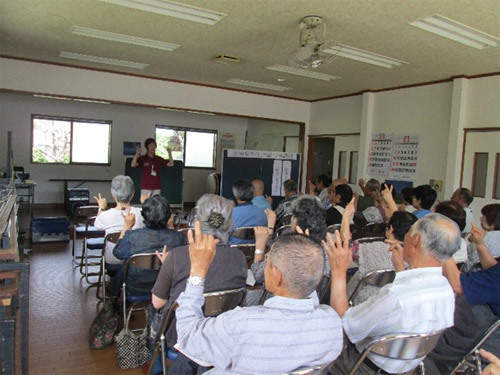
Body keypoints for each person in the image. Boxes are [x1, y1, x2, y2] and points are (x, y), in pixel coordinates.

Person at [175, 229, 344, 374]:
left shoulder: (242, 324)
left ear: (277, 276)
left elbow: (187, 335)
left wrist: (198, 269)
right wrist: (305, 259)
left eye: (268, 263)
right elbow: (306, 286)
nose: (265, 267)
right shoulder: (332, 325)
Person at [326, 213, 460, 374]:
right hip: (405, 369)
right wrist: (400, 271)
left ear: (415, 240)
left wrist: (338, 270)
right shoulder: (446, 290)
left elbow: (345, 322)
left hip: (361, 367)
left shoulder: (396, 296)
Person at [150, 194, 248, 374]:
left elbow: (158, 303)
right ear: (229, 224)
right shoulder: (239, 257)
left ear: (196, 221)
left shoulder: (176, 256)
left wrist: (169, 269)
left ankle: (155, 367)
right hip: (222, 332)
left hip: (179, 336)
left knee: (154, 308)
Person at [425, 238, 500, 373]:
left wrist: (443, 249)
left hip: (469, 340)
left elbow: (458, 284)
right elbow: (493, 272)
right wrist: (480, 245)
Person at [111, 195, 185, 296]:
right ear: (169, 216)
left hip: (135, 287)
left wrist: (127, 226)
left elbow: (117, 253)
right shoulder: (178, 237)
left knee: (124, 264)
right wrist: (171, 226)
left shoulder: (133, 236)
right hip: (167, 288)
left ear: (144, 216)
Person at [93, 175, 145, 275]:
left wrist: (101, 208)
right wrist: (145, 204)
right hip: (136, 262)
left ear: (112, 195)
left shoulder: (105, 215)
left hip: (113, 262)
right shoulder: (141, 213)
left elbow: (97, 225)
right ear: (133, 195)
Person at [228, 179, 267, 244]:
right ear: (253, 194)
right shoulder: (263, 213)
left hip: (233, 251)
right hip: (255, 250)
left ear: (236, 196)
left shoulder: (230, 214)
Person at [464, 203, 500, 271]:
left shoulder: (481, 241)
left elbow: (468, 267)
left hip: (477, 277)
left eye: (483, 216)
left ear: (491, 220)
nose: (481, 218)